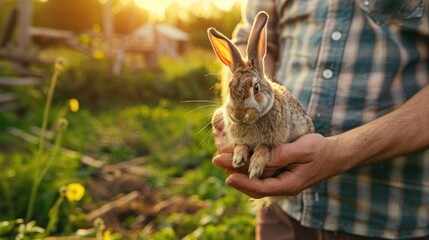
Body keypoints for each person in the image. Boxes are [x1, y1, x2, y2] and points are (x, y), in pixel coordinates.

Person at [211, 0, 429, 239]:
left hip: (386, 213)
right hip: (281, 210)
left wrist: (337, 153)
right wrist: (235, 126)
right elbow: (250, 36)